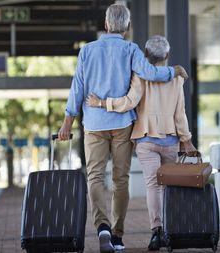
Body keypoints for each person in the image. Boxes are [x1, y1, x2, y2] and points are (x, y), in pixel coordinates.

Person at [57, 4, 188, 253]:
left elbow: (78, 87)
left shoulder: (87, 51)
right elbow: (149, 72)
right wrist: (173, 71)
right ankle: (117, 236)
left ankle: (102, 227)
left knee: (94, 176)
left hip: (94, 124)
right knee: (120, 180)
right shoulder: (131, 50)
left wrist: (68, 121)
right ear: (127, 27)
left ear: (106, 25)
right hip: (122, 125)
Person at [86, 35, 197, 251]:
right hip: (171, 139)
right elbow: (180, 114)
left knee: (153, 185)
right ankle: (168, 231)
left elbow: (129, 102)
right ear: (166, 55)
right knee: (167, 186)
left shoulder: (140, 76)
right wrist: (187, 140)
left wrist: (101, 103)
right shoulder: (176, 79)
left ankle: (156, 231)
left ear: (145, 54)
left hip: (146, 139)